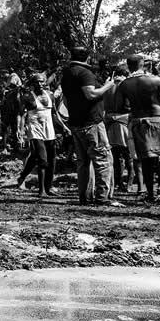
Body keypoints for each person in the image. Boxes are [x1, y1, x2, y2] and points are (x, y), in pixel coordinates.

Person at [115, 54, 160, 203]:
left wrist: (135, 105)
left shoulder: (124, 84)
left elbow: (120, 106)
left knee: (146, 160)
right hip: (159, 120)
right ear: (142, 64)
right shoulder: (155, 80)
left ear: (129, 66)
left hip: (139, 122)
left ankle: (151, 195)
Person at [60, 47, 114, 205]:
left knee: (83, 162)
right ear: (88, 57)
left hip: (77, 124)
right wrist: (107, 86)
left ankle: (84, 197)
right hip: (91, 123)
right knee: (102, 160)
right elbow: (90, 94)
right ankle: (102, 198)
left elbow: (65, 100)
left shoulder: (67, 74)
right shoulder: (84, 73)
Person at [17, 73, 70, 196]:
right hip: (35, 130)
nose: (40, 84)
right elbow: (21, 114)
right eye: (37, 82)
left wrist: (64, 127)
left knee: (51, 160)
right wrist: (20, 130)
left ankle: (48, 186)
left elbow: (55, 114)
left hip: (49, 130)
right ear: (32, 84)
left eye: (42, 82)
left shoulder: (50, 95)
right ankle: (41, 191)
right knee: (42, 159)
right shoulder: (27, 97)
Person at [103, 66, 140, 193]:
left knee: (115, 156)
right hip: (124, 122)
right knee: (129, 155)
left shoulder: (107, 86)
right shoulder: (125, 85)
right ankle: (129, 184)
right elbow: (128, 105)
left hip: (109, 122)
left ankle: (118, 183)